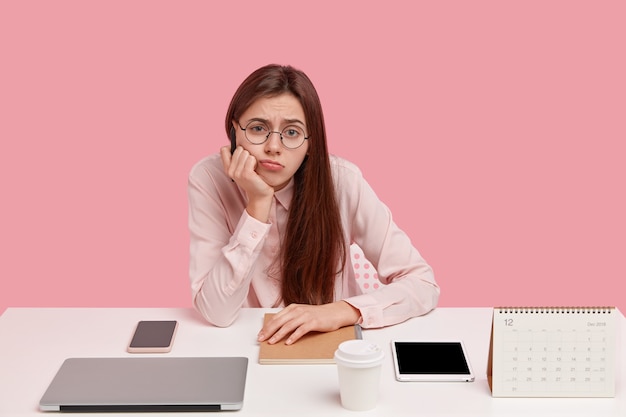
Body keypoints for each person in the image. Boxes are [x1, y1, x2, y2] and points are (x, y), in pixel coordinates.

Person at [188, 64, 439, 345]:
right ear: (235, 131)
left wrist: (344, 310)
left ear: (311, 142)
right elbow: (216, 312)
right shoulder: (208, 179)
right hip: (248, 344)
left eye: (292, 133)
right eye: (258, 128)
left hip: (334, 345)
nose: (273, 146)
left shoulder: (343, 181)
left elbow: (422, 283)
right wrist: (257, 205)